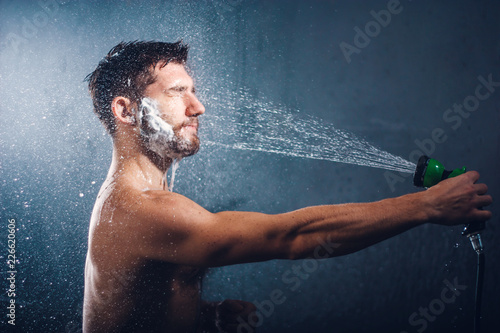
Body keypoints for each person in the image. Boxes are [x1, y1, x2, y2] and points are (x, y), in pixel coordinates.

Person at [82, 40, 492, 333]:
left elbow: (131, 307)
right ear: (126, 110)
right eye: (178, 92)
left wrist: (205, 315)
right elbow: (291, 237)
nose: (198, 106)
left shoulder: (135, 201)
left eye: (194, 90)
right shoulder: (141, 209)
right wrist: (427, 207)